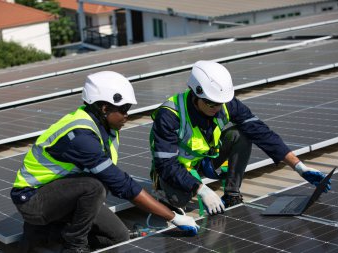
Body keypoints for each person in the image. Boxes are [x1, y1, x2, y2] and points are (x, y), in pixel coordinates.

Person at [10, 71, 199, 253]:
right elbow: (122, 184)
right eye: (123, 109)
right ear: (104, 108)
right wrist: (173, 217)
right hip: (32, 199)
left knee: (119, 236)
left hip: (62, 196)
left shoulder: (105, 126)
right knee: (94, 186)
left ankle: (49, 232)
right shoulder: (80, 136)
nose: (127, 115)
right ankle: (75, 246)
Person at [149, 60, 331, 215]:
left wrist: (299, 167)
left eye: (220, 103)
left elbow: (261, 132)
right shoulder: (170, 115)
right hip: (174, 169)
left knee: (242, 134)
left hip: (203, 162)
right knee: (178, 201)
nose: (217, 108)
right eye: (211, 103)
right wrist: (200, 188)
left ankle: (232, 194)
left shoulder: (225, 104)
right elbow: (166, 165)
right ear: (196, 94)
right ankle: (163, 193)